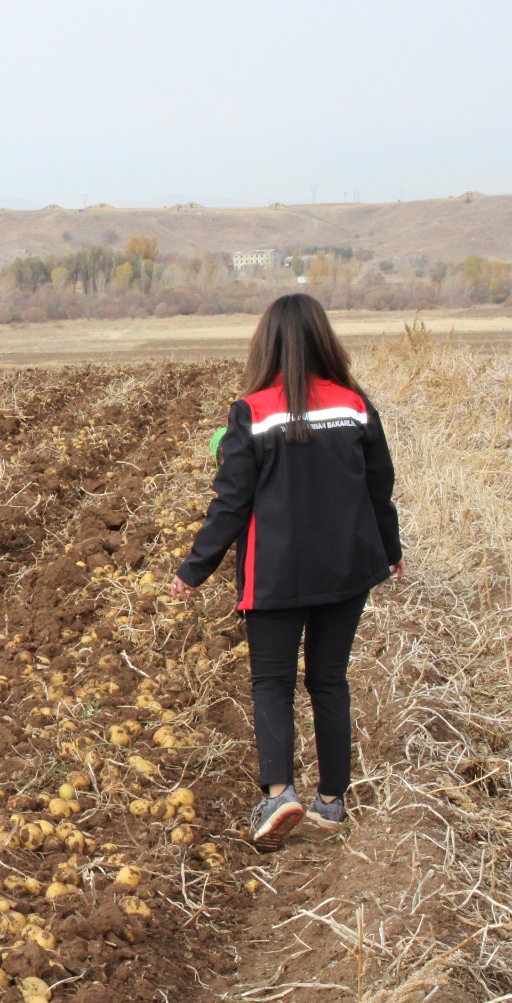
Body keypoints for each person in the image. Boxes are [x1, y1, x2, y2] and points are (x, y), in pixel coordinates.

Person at [170, 293, 404, 853]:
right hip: (347, 570)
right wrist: (390, 551)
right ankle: (331, 802)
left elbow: (231, 503)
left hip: (276, 575)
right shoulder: (355, 406)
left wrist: (193, 570)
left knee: (271, 684)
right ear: (324, 339)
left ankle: (279, 795)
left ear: (266, 343)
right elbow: (380, 489)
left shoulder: (251, 413)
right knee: (329, 680)